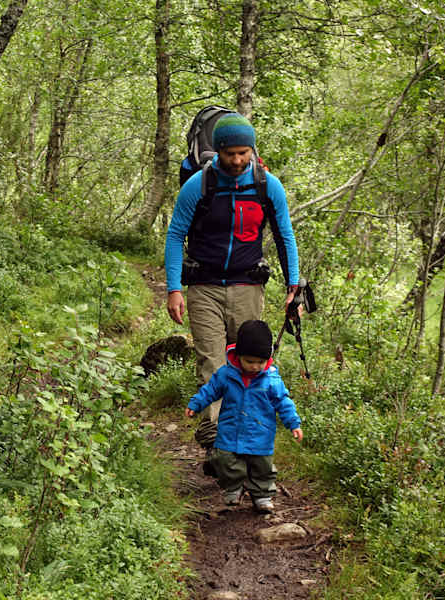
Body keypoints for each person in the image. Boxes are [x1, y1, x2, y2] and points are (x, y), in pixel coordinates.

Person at [164, 112, 301, 455]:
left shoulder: (268, 186)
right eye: (231, 154)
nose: (238, 160)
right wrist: (174, 288)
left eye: (244, 153)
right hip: (203, 285)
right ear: (219, 151)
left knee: (247, 362)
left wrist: (293, 286)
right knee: (213, 362)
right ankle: (216, 444)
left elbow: (285, 236)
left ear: (253, 150)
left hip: (247, 285)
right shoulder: (199, 185)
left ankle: (246, 437)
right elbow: (175, 235)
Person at [184, 319, 303, 512]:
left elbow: (284, 402)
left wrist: (294, 424)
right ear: (238, 356)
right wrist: (196, 404)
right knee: (225, 460)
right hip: (230, 430)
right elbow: (211, 390)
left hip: (260, 433)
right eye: (249, 361)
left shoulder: (272, 379)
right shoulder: (226, 374)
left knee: (262, 466)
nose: (255, 366)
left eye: (260, 362)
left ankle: (262, 494)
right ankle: (234, 487)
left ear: (269, 358)